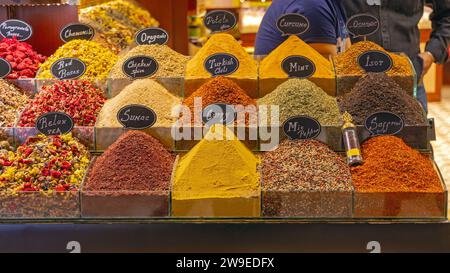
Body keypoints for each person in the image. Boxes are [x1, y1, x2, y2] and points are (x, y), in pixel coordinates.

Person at [342, 1, 450, 112]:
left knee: (415, 128)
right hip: (353, 84)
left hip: (409, 80)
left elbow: (446, 14)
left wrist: (431, 54)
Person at [254, 0, 349, 57]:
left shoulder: (336, 4)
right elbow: (327, 71)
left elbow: (347, 55)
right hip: (283, 88)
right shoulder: (312, 5)